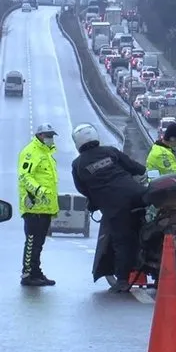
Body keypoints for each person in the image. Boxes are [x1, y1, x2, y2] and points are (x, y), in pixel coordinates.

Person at [70, 123, 148, 293]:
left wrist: (94, 201)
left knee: (122, 241)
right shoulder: (110, 151)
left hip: (115, 206)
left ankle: (121, 280)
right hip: (138, 194)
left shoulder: (78, 164)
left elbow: (82, 189)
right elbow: (136, 168)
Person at [17, 123, 59, 286]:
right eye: (48, 136)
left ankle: (36, 271)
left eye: (52, 136)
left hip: (46, 207)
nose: (51, 139)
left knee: (39, 243)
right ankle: (27, 274)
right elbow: (25, 177)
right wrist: (39, 192)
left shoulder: (47, 153)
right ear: (40, 136)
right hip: (33, 205)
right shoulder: (31, 152)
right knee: (32, 241)